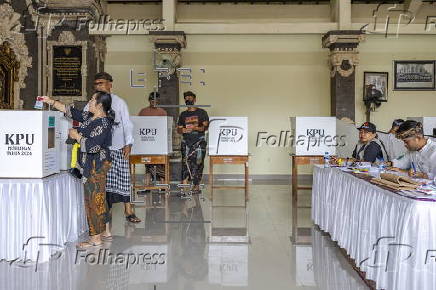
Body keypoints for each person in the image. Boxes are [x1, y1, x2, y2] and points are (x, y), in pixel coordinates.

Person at [41, 92, 114, 248]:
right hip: (92, 163)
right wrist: (51, 101)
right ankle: (105, 231)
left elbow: (94, 146)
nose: (90, 101)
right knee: (99, 196)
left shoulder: (104, 123)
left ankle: (95, 238)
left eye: (93, 99)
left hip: (96, 164)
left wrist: (77, 136)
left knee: (92, 199)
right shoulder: (90, 117)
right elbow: (71, 111)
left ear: (100, 105)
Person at [91, 72, 140, 226]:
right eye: (96, 84)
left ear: (110, 84)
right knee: (105, 183)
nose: (98, 86)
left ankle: (129, 210)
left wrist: (129, 143)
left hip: (118, 147)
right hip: (101, 150)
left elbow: (127, 124)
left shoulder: (119, 102)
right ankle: (106, 214)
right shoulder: (92, 102)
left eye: (101, 83)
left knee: (124, 180)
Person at [177, 91, 209, 193]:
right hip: (186, 142)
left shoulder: (202, 112)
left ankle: (196, 185)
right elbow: (179, 129)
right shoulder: (183, 114)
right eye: (186, 99)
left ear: (194, 99)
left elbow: (206, 126)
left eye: (190, 98)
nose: (188, 100)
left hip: (199, 141)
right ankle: (184, 185)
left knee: (198, 163)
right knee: (185, 162)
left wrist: (196, 127)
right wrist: (182, 130)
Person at [138, 92, 167, 188]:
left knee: (160, 164)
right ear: (149, 100)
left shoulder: (162, 112)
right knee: (148, 165)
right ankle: (147, 186)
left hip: (159, 143)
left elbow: (164, 128)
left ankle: (163, 186)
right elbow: (139, 126)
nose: (154, 102)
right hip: (147, 143)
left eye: (156, 100)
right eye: (152, 100)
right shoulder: (143, 112)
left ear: (158, 101)